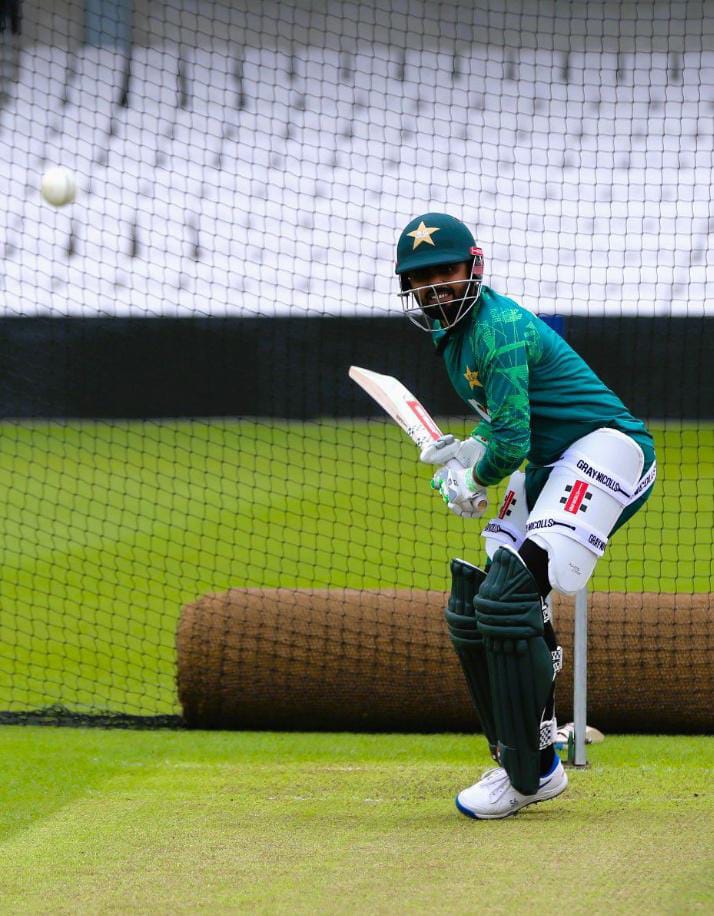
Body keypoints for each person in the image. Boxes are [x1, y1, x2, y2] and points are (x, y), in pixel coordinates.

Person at [395, 212, 656, 820]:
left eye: (445, 271)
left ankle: (529, 778)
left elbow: (511, 444)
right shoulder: (453, 337)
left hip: (605, 447)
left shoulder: (497, 330)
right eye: (420, 277)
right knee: (477, 603)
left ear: (473, 268)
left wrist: (476, 472)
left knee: (509, 600)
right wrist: (465, 456)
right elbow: (506, 428)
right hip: (549, 458)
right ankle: (526, 755)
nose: (434, 286)